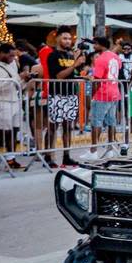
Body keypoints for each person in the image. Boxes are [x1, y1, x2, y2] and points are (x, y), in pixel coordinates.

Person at [46, 26, 86, 168]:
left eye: (69, 38)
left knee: (68, 126)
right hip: (57, 94)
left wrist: (83, 71)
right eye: (65, 38)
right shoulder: (53, 55)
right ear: (57, 38)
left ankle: (66, 156)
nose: (68, 41)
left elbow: (75, 74)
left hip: (70, 94)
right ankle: (48, 156)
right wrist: (75, 64)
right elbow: (59, 76)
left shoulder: (71, 55)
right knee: (53, 126)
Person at [0, 42, 26, 170]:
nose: (13, 58)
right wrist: (18, 78)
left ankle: (10, 157)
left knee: (14, 129)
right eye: (11, 56)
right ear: (2, 53)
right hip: (0, 100)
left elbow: (17, 84)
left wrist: (25, 79)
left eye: (14, 56)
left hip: (14, 99)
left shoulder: (12, 64)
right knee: (3, 130)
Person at [86, 35, 121, 160]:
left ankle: (93, 151)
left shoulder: (100, 59)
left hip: (103, 92)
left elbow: (97, 80)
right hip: (114, 91)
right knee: (112, 122)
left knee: (96, 121)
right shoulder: (115, 57)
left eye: (95, 44)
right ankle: (110, 148)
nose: (94, 46)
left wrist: (93, 95)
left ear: (101, 45)